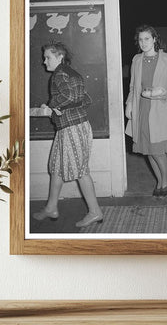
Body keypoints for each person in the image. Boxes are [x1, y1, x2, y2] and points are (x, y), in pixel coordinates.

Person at [33, 41, 103, 228]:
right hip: (72, 127)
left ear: (59, 57)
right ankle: (51, 207)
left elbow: (70, 97)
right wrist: (61, 108)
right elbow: (84, 99)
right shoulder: (72, 73)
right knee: (56, 166)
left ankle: (95, 212)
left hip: (72, 128)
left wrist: (53, 105)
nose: (44, 61)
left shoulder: (60, 74)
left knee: (80, 171)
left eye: (47, 57)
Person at [125, 25, 167, 196]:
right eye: (140, 39)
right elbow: (133, 86)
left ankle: (166, 180)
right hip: (141, 108)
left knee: (157, 150)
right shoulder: (136, 60)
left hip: (160, 109)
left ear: (155, 39)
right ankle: (160, 181)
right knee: (147, 149)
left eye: (147, 39)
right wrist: (129, 104)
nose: (143, 42)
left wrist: (164, 94)